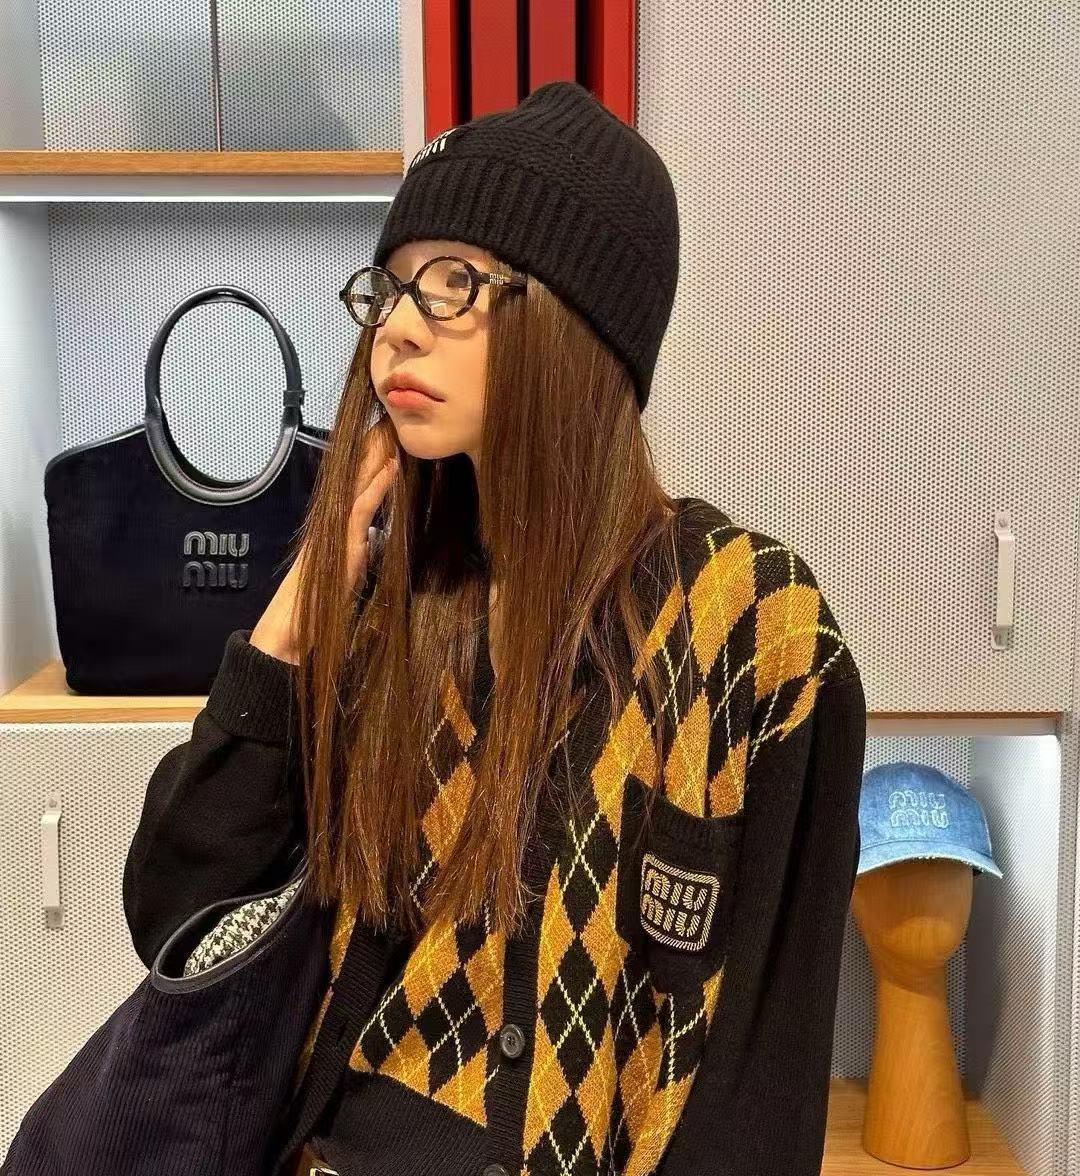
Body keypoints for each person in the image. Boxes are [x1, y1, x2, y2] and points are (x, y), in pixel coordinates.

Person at [123, 80, 867, 1176]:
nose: (395, 327)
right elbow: (180, 919)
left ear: (577, 321)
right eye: (390, 288)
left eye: (454, 283)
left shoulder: (752, 630)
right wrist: (299, 612)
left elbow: (757, 1087)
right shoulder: (396, 598)